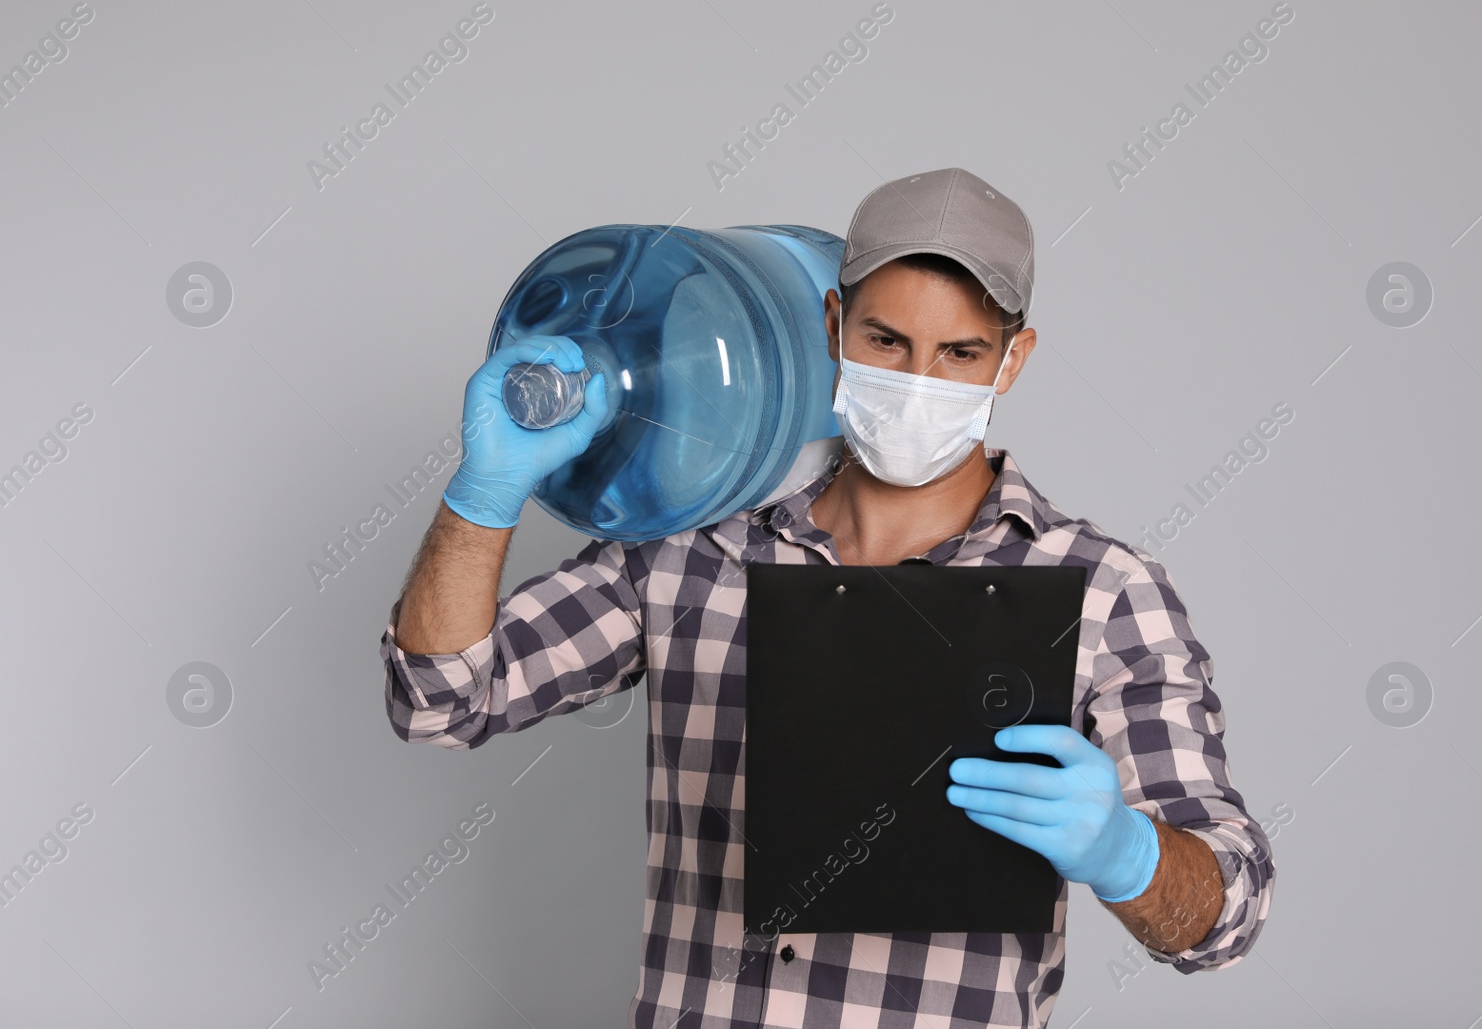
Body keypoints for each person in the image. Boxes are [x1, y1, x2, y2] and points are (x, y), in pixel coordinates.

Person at [381, 167, 1275, 1028]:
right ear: (833, 322)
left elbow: (1226, 914)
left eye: (960, 352)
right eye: (887, 341)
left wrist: (1129, 853)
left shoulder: (1105, 592)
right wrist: (483, 493)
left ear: (1012, 361)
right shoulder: (695, 548)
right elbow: (442, 701)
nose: (918, 377)